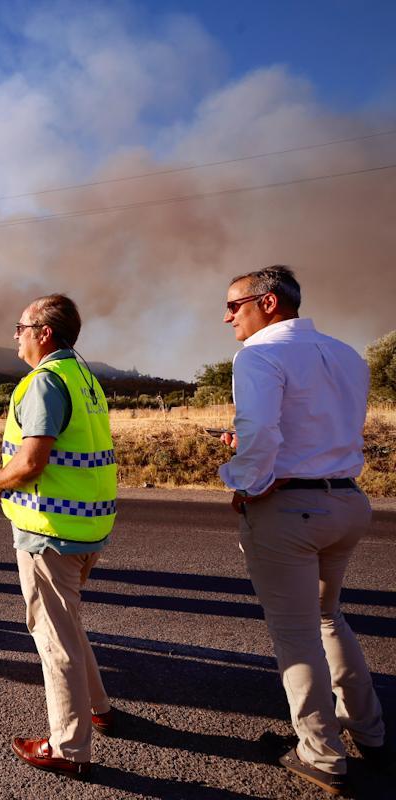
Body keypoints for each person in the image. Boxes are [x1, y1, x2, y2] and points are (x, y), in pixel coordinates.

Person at [219, 265, 389, 795]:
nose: (227, 317)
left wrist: (245, 484)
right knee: (328, 617)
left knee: (296, 633)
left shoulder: (258, 354)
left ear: (268, 302)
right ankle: (370, 730)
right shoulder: (346, 354)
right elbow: (318, 429)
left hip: (292, 509)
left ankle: (321, 754)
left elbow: (260, 431)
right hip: (347, 500)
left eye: (234, 305)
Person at [0, 294, 117, 777]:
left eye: (20, 327)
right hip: (87, 526)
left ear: (43, 333)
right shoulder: (84, 377)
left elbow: (32, 460)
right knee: (68, 624)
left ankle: (68, 748)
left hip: (50, 532)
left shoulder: (45, 381)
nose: (15, 335)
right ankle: (99, 707)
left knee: (53, 638)